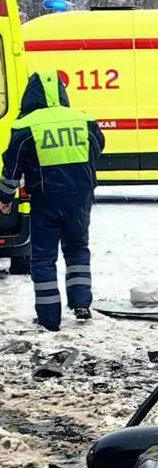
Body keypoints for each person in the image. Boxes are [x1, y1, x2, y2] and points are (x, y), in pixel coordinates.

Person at [0, 71, 104, 331]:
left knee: (43, 258)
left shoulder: (26, 125)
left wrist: (5, 197)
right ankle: (81, 303)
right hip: (80, 197)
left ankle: (49, 318)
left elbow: (13, 165)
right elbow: (97, 147)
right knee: (77, 248)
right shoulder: (83, 119)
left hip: (46, 200)